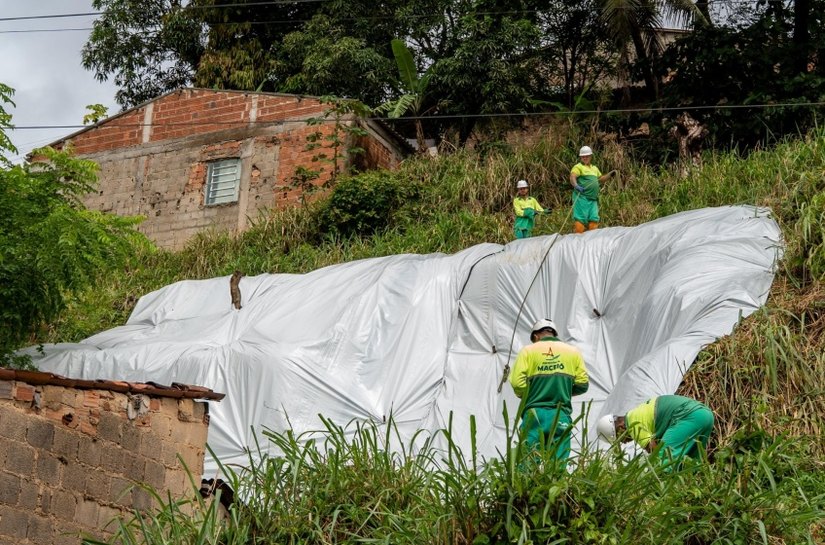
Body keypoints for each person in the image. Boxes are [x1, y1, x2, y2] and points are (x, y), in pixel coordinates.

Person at [509, 319, 589, 459]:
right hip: (560, 414)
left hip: (534, 414)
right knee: (558, 462)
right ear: (554, 333)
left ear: (536, 336)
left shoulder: (528, 351)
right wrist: (561, 389)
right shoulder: (572, 352)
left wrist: (531, 394)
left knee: (527, 460)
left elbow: (517, 383)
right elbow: (583, 384)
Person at [596, 395, 714, 466]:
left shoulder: (632, 424)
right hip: (705, 415)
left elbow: (655, 452)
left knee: (662, 463)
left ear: (621, 427)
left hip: (689, 417)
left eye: (620, 439)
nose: (624, 443)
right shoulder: (637, 413)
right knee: (691, 465)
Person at [569, 146, 617, 234]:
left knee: (594, 218)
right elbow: (572, 177)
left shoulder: (594, 168)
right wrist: (576, 186)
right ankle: (578, 239)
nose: (585, 158)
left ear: (590, 156)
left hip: (593, 199)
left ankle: (592, 239)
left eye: (587, 156)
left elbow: (601, 179)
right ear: (581, 157)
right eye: (583, 156)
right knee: (580, 219)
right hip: (582, 198)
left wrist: (610, 174)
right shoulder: (578, 167)